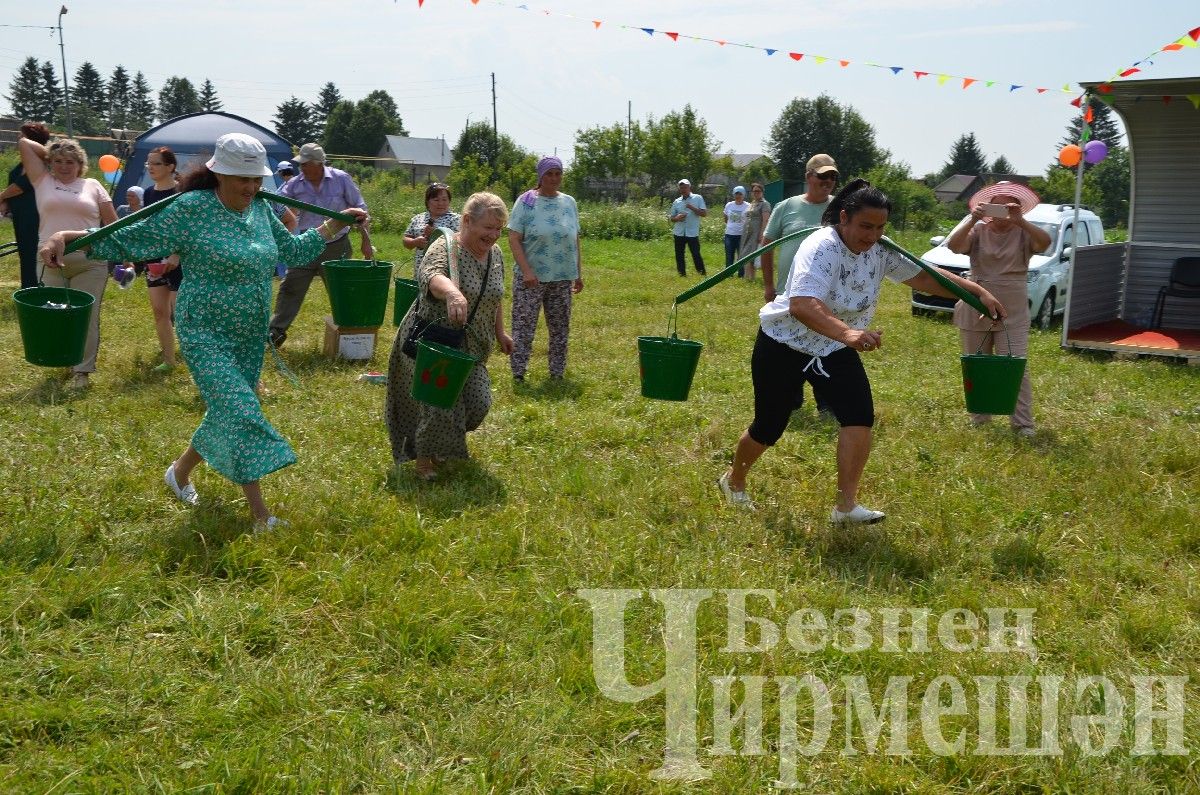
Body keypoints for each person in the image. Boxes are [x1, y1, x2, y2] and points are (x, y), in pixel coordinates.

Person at [39, 133, 368, 529]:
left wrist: (334, 224)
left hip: (249, 333)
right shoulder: (192, 207)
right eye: (241, 179)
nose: (250, 187)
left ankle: (178, 473)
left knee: (225, 412)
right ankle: (260, 515)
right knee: (241, 409)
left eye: (255, 179)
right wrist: (68, 237)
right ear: (218, 174)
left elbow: (294, 252)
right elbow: (132, 239)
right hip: (204, 331)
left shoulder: (260, 209)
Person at [716, 180, 1006, 522]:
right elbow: (802, 305)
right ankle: (733, 481)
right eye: (865, 226)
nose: (872, 235)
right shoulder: (820, 248)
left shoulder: (879, 249)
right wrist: (848, 332)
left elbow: (926, 278)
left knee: (858, 416)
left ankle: (846, 507)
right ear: (844, 218)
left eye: (880, 227)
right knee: (769, 426)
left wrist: (975, 292)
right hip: (784, 344)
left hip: (833, 346)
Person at [385, 192, 513, 481]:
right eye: (488, 228)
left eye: (498, 229)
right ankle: (424, 461)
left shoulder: (496, 254)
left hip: (474, 345)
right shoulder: (444, 246)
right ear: (467, 221)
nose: (493, 235)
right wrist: (453, 292)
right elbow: (430, 276)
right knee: (437, 403)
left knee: (479, 403)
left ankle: (441, 442)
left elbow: (495, 296)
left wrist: (500, 331)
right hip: (436, 341)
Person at [946, 181, 1051, 437]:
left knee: (1014, 365)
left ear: (1019, 207)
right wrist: (972, 219)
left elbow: (1045, 243)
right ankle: (979, 418)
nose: (1003, 209)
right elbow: (953, 245)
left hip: (1012, 308)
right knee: (977, 364)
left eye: (1009, 204)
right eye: (998, 204)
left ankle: (1022, 423)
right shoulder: (979, 230)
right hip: (976, 302)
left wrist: (1020, 221)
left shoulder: (1024, 232)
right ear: (988, 206)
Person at [19, 135, 118, 389]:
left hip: (90, 259)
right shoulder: (42, 180)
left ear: (80, 163)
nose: (64, 166)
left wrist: (123, 258)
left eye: (70, 161)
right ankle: (61, 358)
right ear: (51, 162)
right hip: (50, 258)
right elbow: (24, 144)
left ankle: (82, 371)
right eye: (59, 161)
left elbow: (112, 223)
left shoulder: (93, 184)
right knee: (54, 314)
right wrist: (52, 151)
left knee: (86, 314)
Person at [268, 142, 371, 347]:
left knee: (341, 291)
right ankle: (275, 333)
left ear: (319, 163)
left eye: (306, 164)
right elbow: (277, 205)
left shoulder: (341, 179)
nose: (302, 168)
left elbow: (360, 209)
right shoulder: (295, 184)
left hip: (337, 244)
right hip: (306, 244)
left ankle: (352, 334)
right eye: (301, 164)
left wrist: (365, 240)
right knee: (290, 287)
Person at [507, 156, 583, 383]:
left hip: (562, 276)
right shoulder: (527, 201)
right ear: (540, 176)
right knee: (524, 325)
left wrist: (578, 272)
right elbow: (513, 238)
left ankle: (557, 373)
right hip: (531, 277)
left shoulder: (569, 202)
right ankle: (519, 372)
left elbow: (575, 239)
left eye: (558, 173)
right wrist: (527, 271)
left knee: (560, 327)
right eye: (549, 174)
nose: (554, 178)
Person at [761, 154, 840, 301]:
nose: (828, 181)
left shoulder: (842, 209)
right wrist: (768, 286)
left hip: (827, 296)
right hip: (786, 293)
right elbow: (766, 247)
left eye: (833, 176)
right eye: (823, 175)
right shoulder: (785, 207)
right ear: (808, 176)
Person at [141, 146, 182, 372]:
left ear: (170, 167)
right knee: (160, 311)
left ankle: (196, 357)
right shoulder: (148, 193)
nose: (150, 167)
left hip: (180, 260)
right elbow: (149, 228)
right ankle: (169, 360)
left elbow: (189, 227)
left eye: (156, 163)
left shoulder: (181, 192)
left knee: (182, 313)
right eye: (149, 163)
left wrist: (176, 254)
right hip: (155, 260)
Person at [0, 122, 51, 289]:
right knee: (24, 252)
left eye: (22, 136)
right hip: (21, 214)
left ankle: (35, 289)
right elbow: (13, 184)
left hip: (34, 214)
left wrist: (1, 196)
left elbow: (20, 186)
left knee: (31, 252)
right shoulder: (23, 164)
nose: (18, 139)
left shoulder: (39, 163)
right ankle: (28, 288)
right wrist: (5, 202)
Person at [403, 182, 461, 275]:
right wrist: (415, 242)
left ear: (449, 201)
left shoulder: (456, 219)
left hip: (444, 268)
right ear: (427, 201)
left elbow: (461, 242)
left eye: (444, 199)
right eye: (436, 200)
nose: (441, 203)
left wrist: (436, 234)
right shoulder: (418, 218)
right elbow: (405, 240)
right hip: (420, 268)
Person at [669, 178, 707, 277]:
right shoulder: (677, 201)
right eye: (681, 188)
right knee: (679, 254)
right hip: (679, 232)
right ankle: (682, 274)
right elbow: (671, 218)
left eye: (685, 187)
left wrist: (692, 207)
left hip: (692, 232)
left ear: (689, 187)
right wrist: (677, 218)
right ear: (679, 189)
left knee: (695, 254)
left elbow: (704, 214)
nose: (683, 189)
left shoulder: (697, 198)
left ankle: (702, 274)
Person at [737, 183, 771, 282]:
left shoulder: (764, 204)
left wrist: (761, 234)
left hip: (756, 233)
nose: (756, 193)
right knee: (746, 254)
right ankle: (747, 277)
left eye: (758, 191)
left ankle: (750, 277)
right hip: (747, 233)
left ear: (762, 192)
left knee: (751, 255)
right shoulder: (752, 203)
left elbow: (765, 220)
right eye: (754, 191)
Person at [723, 186, 748, 277]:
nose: (738, 196)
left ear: (743, 195)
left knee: (741, 256)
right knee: (729, 254)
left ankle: (741, 274)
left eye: (740, 194)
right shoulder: (729, 205)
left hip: (742, 235)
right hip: (729, 234)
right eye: (736, 193)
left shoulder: (748, 206)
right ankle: (729, 274)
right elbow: (725, 218)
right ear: (734, 194)